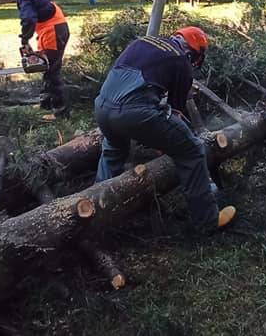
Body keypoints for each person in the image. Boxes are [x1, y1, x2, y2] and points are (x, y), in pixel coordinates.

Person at [93, 27, 236, 232]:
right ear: (194, 52)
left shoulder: (141, 42)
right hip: (134, 114)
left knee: (114, 150)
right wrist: (170, 141)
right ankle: (208, 221)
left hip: (102, 107)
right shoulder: (181, 61)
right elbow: (176, 112)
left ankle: (98, 213)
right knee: (192, 152)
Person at [0, 0, 70, 113]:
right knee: (47, 68)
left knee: (52, 71)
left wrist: (25, 39)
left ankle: (60, 109)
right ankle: (45, 104)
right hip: (51, 29)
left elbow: (28, 19)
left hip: (53, 31)